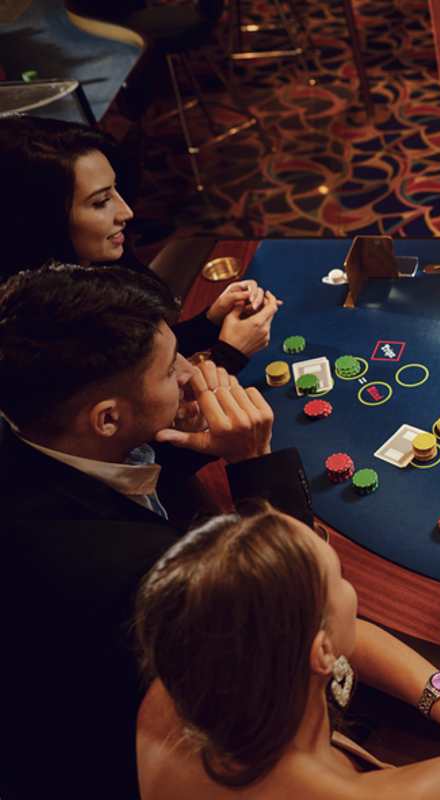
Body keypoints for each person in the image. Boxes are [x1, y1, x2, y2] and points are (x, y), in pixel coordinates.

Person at [0, 265, 311, 799]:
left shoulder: (31, 427)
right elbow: (295, 613)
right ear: (105, 420)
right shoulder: (131, 565)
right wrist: (254, 461)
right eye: (172, 371)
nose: (195, 374)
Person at [134, 498, 440, 798]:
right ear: (321, 652)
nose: (348, 588)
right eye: (339, 576)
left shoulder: (176, 691)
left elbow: (348, 636)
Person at [0, 115, 279, 372]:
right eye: (100, 202)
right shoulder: (42, 332)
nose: (126, 212)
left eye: (115, 190)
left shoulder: (97, 267)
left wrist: (210, 322)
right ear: (40, 220)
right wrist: (229, 354)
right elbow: (147, 417)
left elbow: (139, 352)